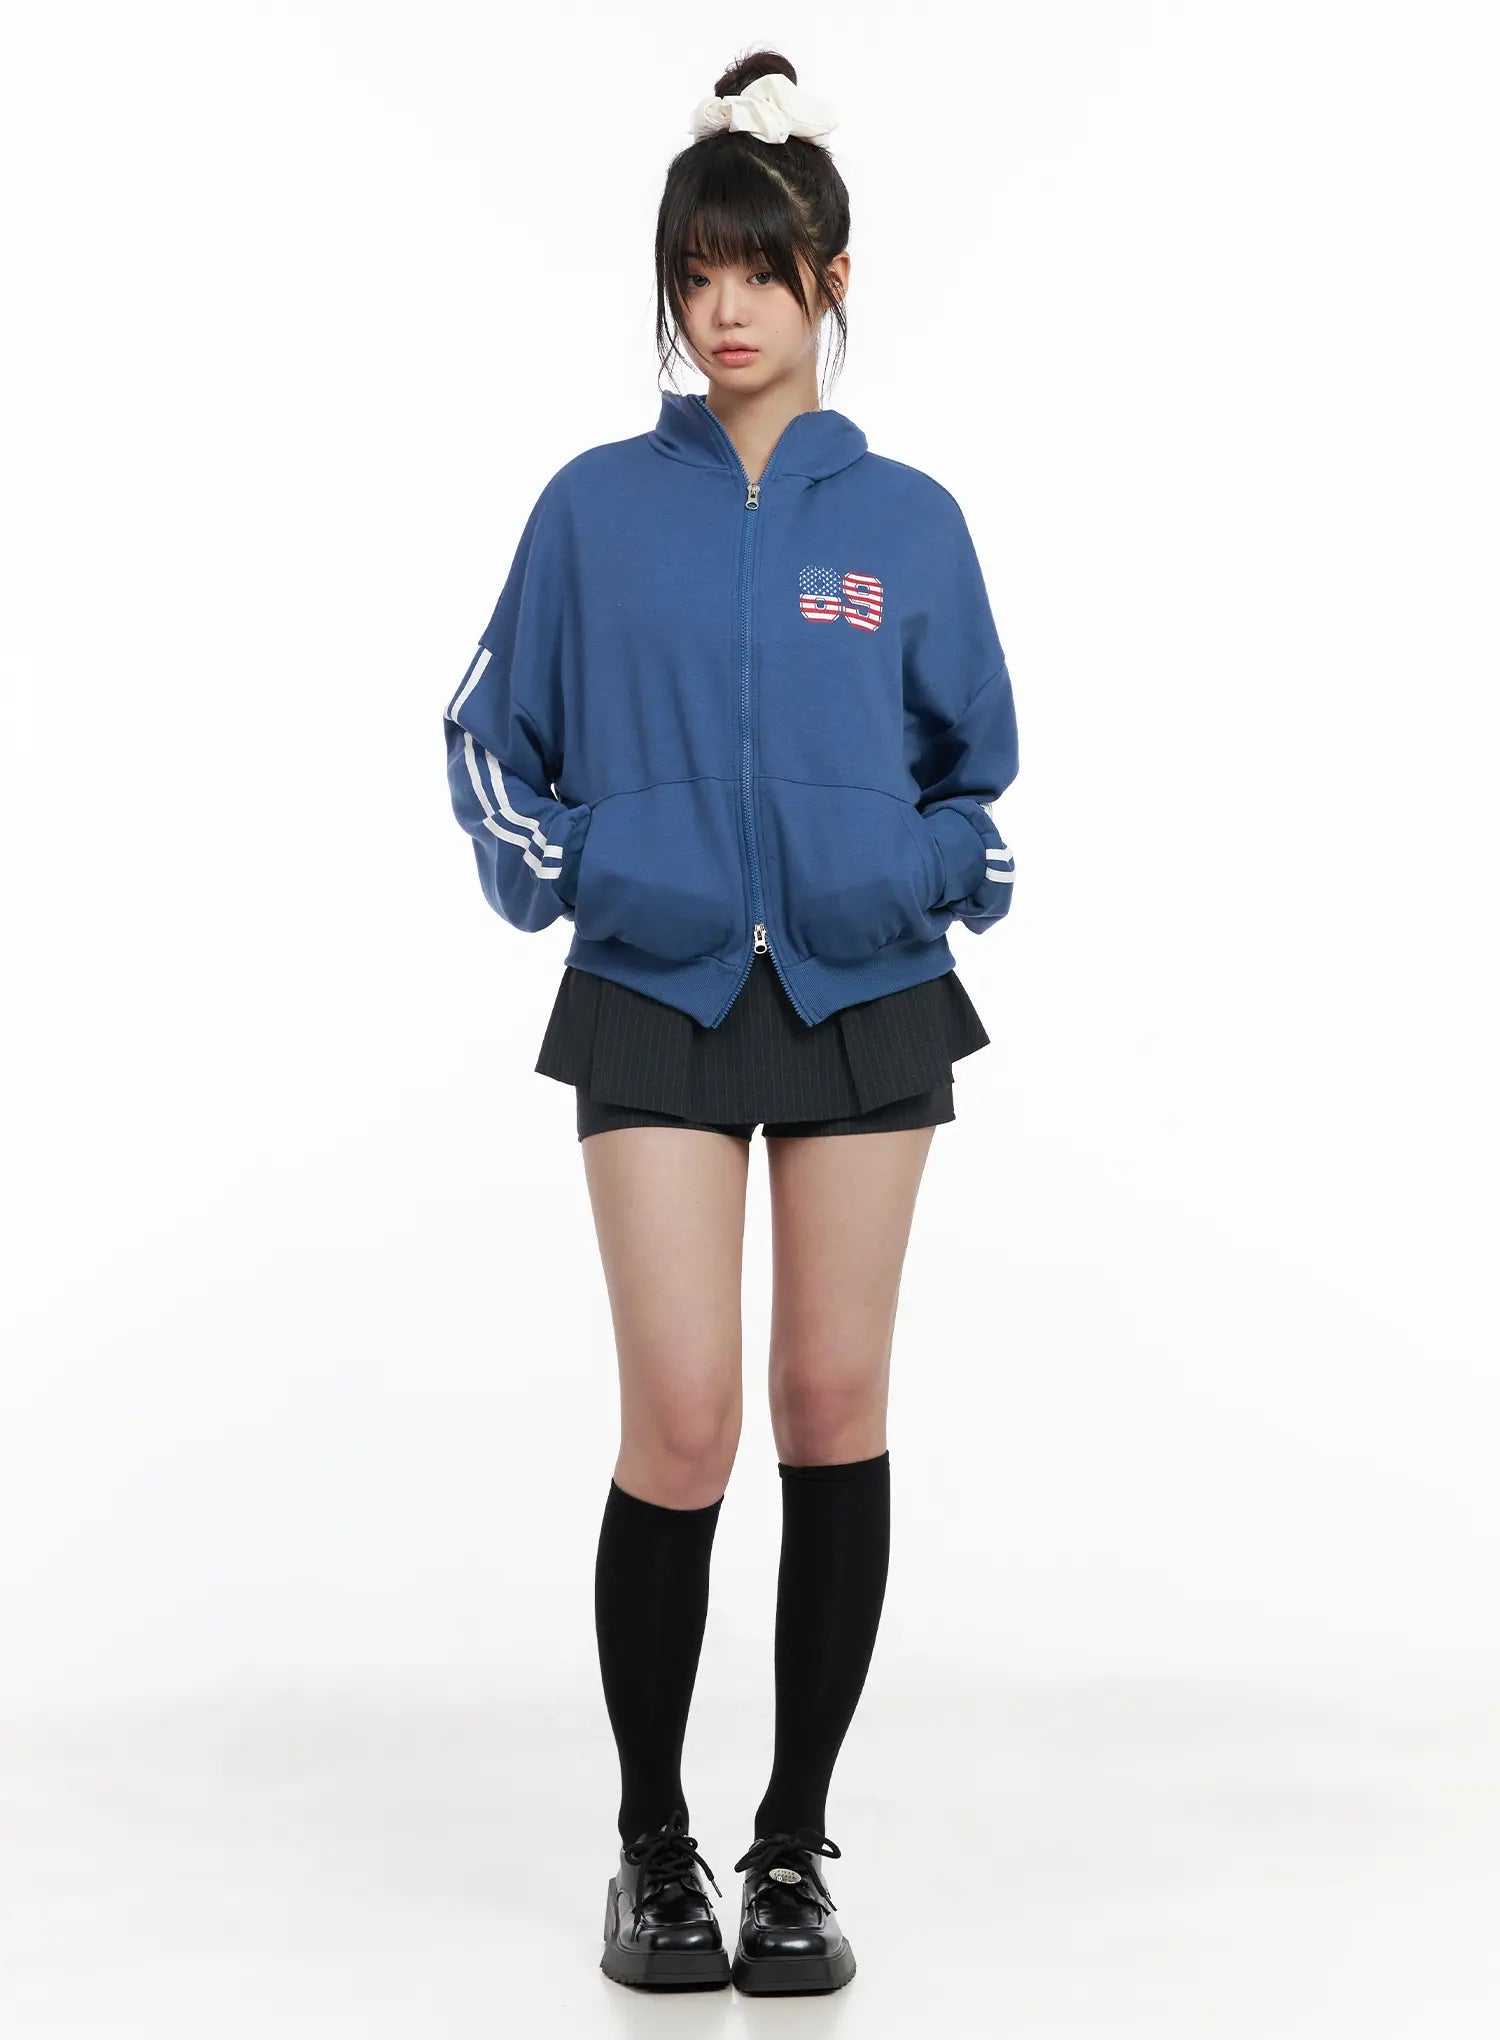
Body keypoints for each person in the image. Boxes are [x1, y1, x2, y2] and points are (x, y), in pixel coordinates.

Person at [442, 49, 1020, 1997]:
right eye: (695, 272)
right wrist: (593, 869)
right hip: (656, 990)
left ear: (831, 279)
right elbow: (489, 739)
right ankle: (651, 1848)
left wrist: (918, 868)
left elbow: (977, 777)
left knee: (831, 1408)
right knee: (684, 1424)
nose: (724, 307)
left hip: (864, 996)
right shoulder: (596, 511)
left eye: (761, 269)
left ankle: (788, 1851)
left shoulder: (911, 522)